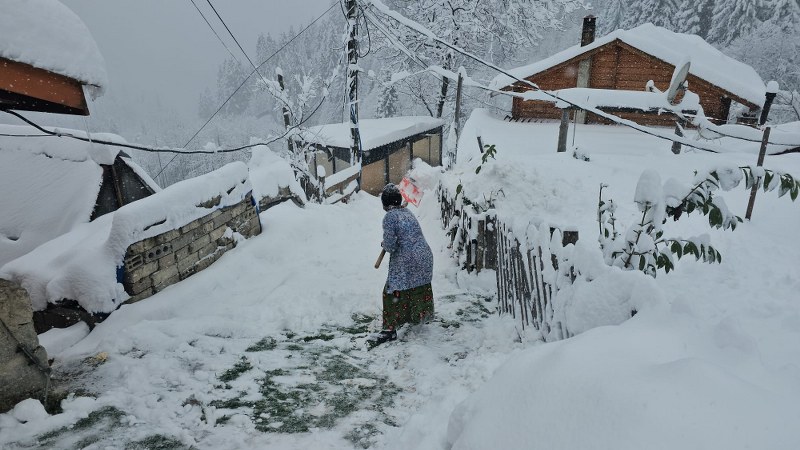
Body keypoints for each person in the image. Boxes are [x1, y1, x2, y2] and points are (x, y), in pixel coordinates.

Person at [373, 183, 434, 344]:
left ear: (385, 204)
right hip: (424, 257)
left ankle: (389, 329)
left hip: (408, 261)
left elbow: (391, 246)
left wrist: (385, 244)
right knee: (416, 288)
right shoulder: (407, 212)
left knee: (391, 292)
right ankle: (420, 318)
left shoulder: (390, 217)